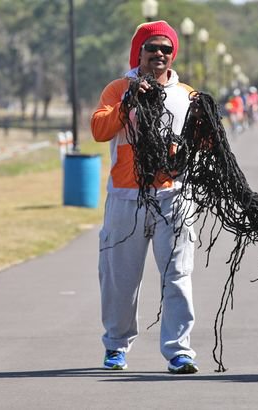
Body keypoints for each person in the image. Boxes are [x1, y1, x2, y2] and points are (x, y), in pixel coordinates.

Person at [91, 20, 200, 374]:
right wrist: (128, 102)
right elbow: (98, 129)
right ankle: (116, 347)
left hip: (174, 198)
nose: (159, 54)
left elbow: (205, 145)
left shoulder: (187, 96)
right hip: (127, 198)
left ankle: (178, 351)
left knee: (178, 276)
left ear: (173, 56)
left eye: (166, 49)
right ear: (138, 52)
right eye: (152, 48)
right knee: (120, 278)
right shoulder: (118, 88)